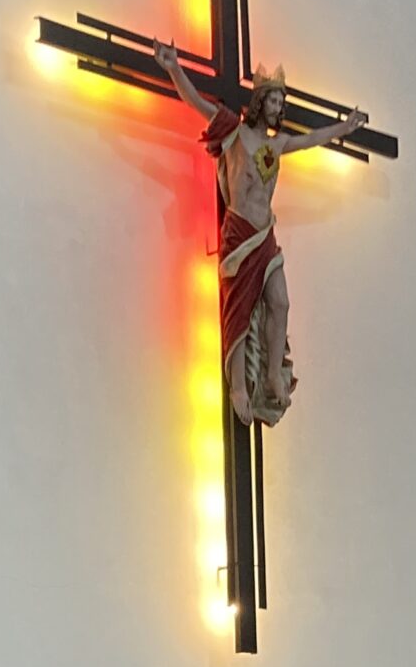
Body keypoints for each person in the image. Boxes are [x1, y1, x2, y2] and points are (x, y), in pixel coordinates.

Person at [152, 43, 370, 426]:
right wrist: (174, 68)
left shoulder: (277, 144)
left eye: (280, 102)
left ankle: (271, 374)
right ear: (259, 102)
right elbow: (195, 102)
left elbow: (313, 139)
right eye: (272, 100)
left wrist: (345, 127)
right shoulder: (234, 134)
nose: (277, 106)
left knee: (280, 303)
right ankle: (238, 385)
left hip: (265, 233)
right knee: (238, 311)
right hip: (240, 233)